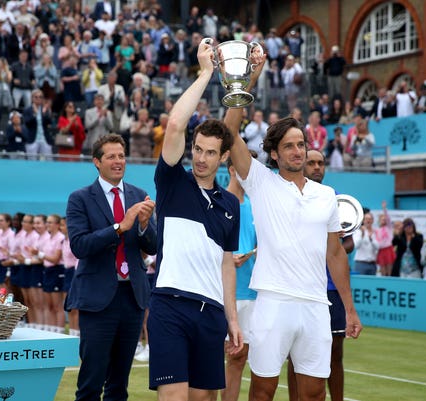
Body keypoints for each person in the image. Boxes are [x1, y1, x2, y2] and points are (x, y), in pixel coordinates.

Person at [225, 47, 362, 401]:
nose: (298, 151)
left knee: (314, 393)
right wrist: (249, 79)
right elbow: (228, 132)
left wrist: (348, 307)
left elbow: (335, 254)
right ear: (274, 153)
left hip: (317, 304)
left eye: (301, 144)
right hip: (273, 301)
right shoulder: (260, 181)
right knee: (263, 391)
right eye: (289, 146)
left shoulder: (327, 194)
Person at [147, 39, 242, 401]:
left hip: (212, 313)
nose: (201, 158)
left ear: (222, 158)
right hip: (169, 305)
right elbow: (174, 124)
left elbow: (226, 266)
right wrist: (206, 73)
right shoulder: (173, 182)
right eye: (197, 150)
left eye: (210, 153)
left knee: (204, 399)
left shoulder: (230, 204)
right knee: (174, 397)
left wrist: (233, 320)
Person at [65, 133, 157, 401]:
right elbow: (80, 246)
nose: (118, 161)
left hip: (132, 297)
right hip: (97, 300)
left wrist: (142, 225)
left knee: (119, 384)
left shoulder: (139, 195)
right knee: (91, 382)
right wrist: (120, 227)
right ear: (97, 162)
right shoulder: (80, 198)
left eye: (121, 155)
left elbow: (153, 246)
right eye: (111, 156)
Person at [286, 149, 355, 401]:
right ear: (302, 165)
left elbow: (348, 244)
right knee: (296, 355)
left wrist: (329, 247)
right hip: (300, 288)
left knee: (335, 353)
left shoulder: (333, 199)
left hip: (331, 288)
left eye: (321, 163)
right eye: (311, 162)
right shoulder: (290, 196)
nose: (316, 167)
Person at [220, 152, 259, 401]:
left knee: (240, 359)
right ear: (233, 169)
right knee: (219, 360)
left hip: (255, 293)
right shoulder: (219, 200)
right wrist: (225, 258)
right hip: (224, 293)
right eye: (245, 167)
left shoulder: (258, 203)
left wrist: (255, 252)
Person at [23, 89, 54, 159]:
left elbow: (49, 122)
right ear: (32, 98)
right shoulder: (28, 110)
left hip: (45, 139)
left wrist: (44, 113)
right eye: (36, 97)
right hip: (32, 139)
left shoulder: (45, 109)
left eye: (40, 97)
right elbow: (27, 123)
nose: (38, 99)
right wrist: (35, 114)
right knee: (32, 162)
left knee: (49, 161)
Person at [375, 201, 395, 276]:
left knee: (389, 271)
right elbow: (377, 241)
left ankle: (390, 282)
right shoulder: (377, 230)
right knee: (383, 271)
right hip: (381, 251)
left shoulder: (389, 227)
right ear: (379, 220)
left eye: (385, 219)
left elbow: (388, 217)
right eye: (382, 219)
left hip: (388, 249)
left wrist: (384, 208)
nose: (384, 220)